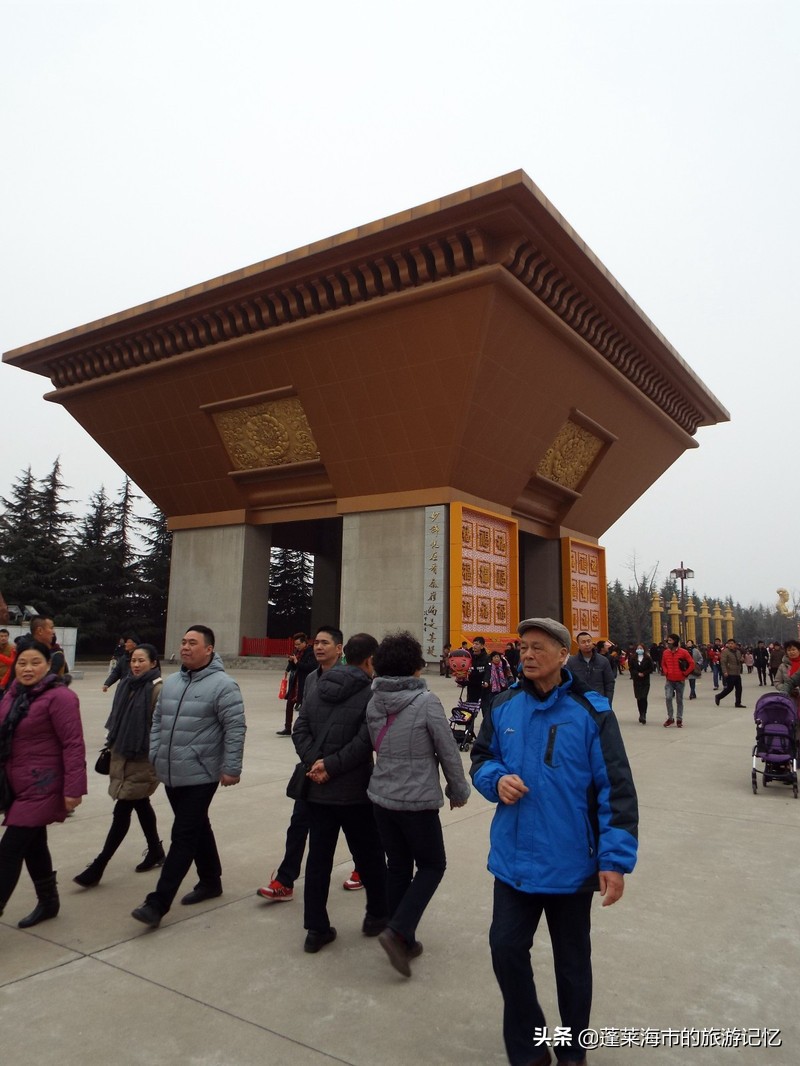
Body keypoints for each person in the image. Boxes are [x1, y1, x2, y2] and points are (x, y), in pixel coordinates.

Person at [471, 618, 638, 1066]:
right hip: (513, 862)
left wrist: (615, 860)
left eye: (538, 647)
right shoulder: (503, 705)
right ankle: (528, 1050)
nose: (527, 655)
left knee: (572, 966)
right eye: (523, 647)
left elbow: (616, 789)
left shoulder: (592, 710)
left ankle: (571, 1052)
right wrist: (494, 779)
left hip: (572, 864)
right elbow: (482, 758)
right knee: (505, 951)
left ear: (563, 654)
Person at [367, 630, 470, 977]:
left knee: (398, 866)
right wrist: (458, 791)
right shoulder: (426, 702)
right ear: (414, 667)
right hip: (417, 802)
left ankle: (403, 938)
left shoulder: (374, 701)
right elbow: (447, 751)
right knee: (432, 866)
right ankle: (398, 932)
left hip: (382, 797)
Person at [131, 625, 245, 928]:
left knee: (182, 835)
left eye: (192, 643)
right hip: (170, 770)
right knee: (197, 827)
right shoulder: (171, 683)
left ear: (209, 649)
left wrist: (231, 768)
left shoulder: (224, 685)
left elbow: (235, 729)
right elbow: (158, 720)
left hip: (202, 773)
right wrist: (156, 752)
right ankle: (211, 881)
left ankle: (158, 903)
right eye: (183, 642)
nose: (185, 647)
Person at [293, 632, 388, 953]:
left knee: (318, 859)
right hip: (354, 792)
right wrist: (331, 766)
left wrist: (314, 763)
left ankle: (315, 929)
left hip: (317, 790)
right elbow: (365, 742)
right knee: (370, 855)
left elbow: (299, 727)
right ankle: (377, 915)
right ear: (370, 660)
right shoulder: (371, 693)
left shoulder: (319, 686)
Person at [0, 641, 86, 927]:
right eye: (22, 663)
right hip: (17, 784)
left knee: (9, 851)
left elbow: (73, 744)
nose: (27, 668)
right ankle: (49, 902)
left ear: (49, 665)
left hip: (42, 785)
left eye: (35, 662)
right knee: (34, 844)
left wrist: (74, 788)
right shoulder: (13, 695)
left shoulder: (60, 697)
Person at [258, 625, 347, 901]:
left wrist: (332, 763)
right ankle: (285, 879)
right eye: (316, 642)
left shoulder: (354, 680)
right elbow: (303, 724)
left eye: (325, 643)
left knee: (357, 828)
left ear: (339, 648)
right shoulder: (311, 678)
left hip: (343, 769)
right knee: (298, 823)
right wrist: (311, 759)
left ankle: (366, 871)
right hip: (311, 766)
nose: (318, 647)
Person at [73, 643, 165, 887]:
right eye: (133, 660)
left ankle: (99, 865)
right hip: (123, 756)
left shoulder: (157, 690)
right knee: (141, 804)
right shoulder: (127, 686)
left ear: (154, 663)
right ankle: (156, 851)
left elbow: (160, 731)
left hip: (142, 760)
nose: (136, 665)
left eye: (141, 661)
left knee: (122, 810)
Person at [277, 632, 316, 736]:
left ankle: (304, 729)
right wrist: (291, 662)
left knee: (304, 708)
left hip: (305, 683)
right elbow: (295, 667)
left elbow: (310, 667)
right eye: (295, 645)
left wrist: (297, 662)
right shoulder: (297, 652)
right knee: (289, 704)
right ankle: (287, 728)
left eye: (298, 644)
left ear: (304, 643)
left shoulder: (311, 652)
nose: (296, 647)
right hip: (295, 682)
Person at [566, 631, 615, 705]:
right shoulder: (571, 662)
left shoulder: (603, 661)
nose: (587, 644)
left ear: (592, 643)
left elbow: (609, 683)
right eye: (583, 642)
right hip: (580, 703)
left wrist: (607, 702)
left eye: (589, 641)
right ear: (578, 645)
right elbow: (567, 683)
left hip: (599, 702)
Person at [660, 634, 695, 727]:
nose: (668, 642)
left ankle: (679, 719)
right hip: (669, 680)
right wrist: (666, 671)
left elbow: (692, 664)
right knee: (668, 698)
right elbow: (663, 664)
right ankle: (670, 718)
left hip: (680, 680)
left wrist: (685, 673)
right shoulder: (665, 653)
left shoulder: (683, 652)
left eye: (670, 640)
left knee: (679, 700)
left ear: (675, 641)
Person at [629, 642, 656, 723]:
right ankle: (640, 713)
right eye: (638, 648)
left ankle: (644, 714)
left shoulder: (648, 658)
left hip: (645, 680)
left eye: (641, 648)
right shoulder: (633, 658)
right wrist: (637, 673)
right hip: (637, 680)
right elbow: (631, 668)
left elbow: (651, 668)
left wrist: (644, 673)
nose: (639, 650)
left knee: (644, 697)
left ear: (644, 649)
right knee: (639, 698)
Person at [715, 638, 745, 709]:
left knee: (739, 688)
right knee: (729, 688)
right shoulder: (725, 652)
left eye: (732, 643)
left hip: (737, 673)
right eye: (729, 643)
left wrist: (742, 660)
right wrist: (725, 671)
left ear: (735, 644)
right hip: (730, 673)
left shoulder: (737, 652)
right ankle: (718, 696)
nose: (731, 645)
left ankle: (738, 703)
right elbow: (723, 662)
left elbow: (739, 660)